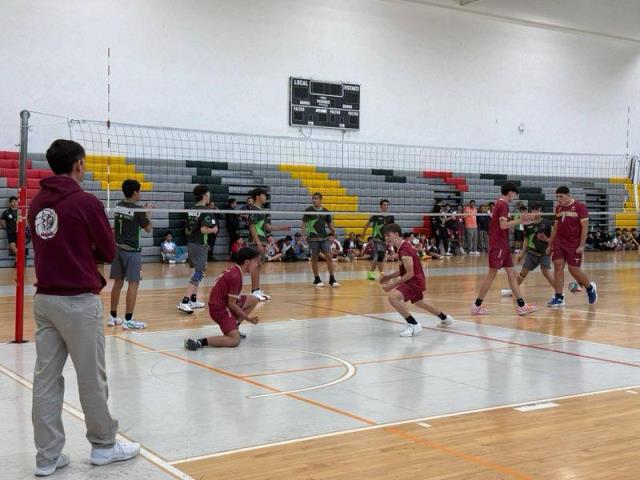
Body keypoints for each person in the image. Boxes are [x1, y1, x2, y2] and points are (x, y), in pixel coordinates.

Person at [28, 139, 139, 477]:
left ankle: (47, 457)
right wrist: (85, 248)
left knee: (45, 380)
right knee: (91, 377)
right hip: (77, 300)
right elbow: (108, 250)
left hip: (45, 300)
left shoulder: (37, 203)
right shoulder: (85, 201)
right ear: (78, 164)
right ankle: (104, 446)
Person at [471, 182, 539, 316]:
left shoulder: (500, 204)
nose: (515, 197)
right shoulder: (503, 204)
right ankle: (476, 306)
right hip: (499, 244)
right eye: (515, 194)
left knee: (512, 274)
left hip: (503, 244)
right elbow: (503, 225)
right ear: (511, 192)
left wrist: (521, 221)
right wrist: (520, 220)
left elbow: (503, 225)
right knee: (491, 274)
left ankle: (522, 306)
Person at [379, 223, 454, 337]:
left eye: (388, 235)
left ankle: (413, 324)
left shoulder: (404, 250)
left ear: (396, 234)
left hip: (414, 281)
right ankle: (445, 318)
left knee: (393, 297)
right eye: (385, 236)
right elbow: (405, 270)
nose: (386, 238)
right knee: (420, 303)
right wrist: (388, 277)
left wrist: (391, 285)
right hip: (416, 279)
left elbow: (410, 273)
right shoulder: (403, 247)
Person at [184, 247, 261, 350]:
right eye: (255, 261)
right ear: (247, 262)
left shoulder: (234, 269)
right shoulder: (236, 276)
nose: (257, 264)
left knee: (254, 299)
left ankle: (234, 327)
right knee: (235, 340)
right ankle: (198, 342)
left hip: (222, 302)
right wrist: (249, 319)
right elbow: (232, 304)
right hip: (219, 309)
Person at [109, 179, 152, 329]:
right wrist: (148, 213)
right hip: (132, 251)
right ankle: (128, 320)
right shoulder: (139, 210)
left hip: (117, 249)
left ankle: (112, 317)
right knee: (134, 283)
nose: (140, 194)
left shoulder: (118, 205)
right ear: (135, 193)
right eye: (139, 191)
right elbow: (148, 229)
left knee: (118, 283)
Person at [546, 186, 597, 307]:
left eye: (561, 196)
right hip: (559, 242)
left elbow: (585, 228)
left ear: (568, 195)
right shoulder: (558, 208)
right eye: (557, 197)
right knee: (558, 266)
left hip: (574, 243)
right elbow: (555, 227)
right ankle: (559, 297)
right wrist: (550, 244)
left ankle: (590, 288)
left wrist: (582, 245)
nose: (559, 199)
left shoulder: (580, 206)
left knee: (573, 269)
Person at [177, 185, 219, 314]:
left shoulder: (191, 209)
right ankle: (184, 302)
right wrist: (214, 229)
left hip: (192, 243)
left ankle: (193, 300)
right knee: (199, 273)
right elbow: (203, 229)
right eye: (209, 194)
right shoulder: (206, 210)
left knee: (199, 270)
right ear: (205, 196)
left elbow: (187, 229)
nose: (210, 196)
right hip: (199, 245)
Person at [500, 204, 555, 296]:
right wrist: (521, 254)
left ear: (542, 212)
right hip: (532, 253)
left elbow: (554, 240)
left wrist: (546, 239)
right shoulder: (527, 224)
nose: (535, 212)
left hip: (544, 253)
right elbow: (526, 240)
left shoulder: (548, 223)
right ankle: (513, 291)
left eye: (538, 210)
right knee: (523, 273)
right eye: (533, 210)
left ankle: (559, 293)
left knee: (546, 271)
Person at [247, 188, 291, 300]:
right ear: (258, 197)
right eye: (264, 195)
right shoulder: (253, 210)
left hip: (262, 241)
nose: (266, 197)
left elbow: (267, 227)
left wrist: (283, 228)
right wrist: (258, 243)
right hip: (255, 241)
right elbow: (252, 227)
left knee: (259, 265)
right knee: (255, 266)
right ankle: (254, 291)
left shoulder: (262, 210)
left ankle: (257, 289)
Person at [303, 192, 339, 287]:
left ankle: (332, 279)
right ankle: (317, 279)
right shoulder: (308, 210)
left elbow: (330, 224)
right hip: (313, 238)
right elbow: (304, 224)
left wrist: (334, 232)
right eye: (313, 198)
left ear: (320, 199)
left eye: (316, 198)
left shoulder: (325, 211)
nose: (314, 200)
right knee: (314, 258)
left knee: (329, 256)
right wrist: (303, 235)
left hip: (324, 237)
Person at [363, 199, 395, 279]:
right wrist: (363, 233)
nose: (386, 206)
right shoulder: (376, 215)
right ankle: (381, 274)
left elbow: (392, 228)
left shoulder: (391, 217)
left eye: (387, 205)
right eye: (384, 205)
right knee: (380, 253)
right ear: (380, 206)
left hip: (385, 239)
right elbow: (367, 224)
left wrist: (390, 239)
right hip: (377, 238)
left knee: (379, 256)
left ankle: (372, 273)